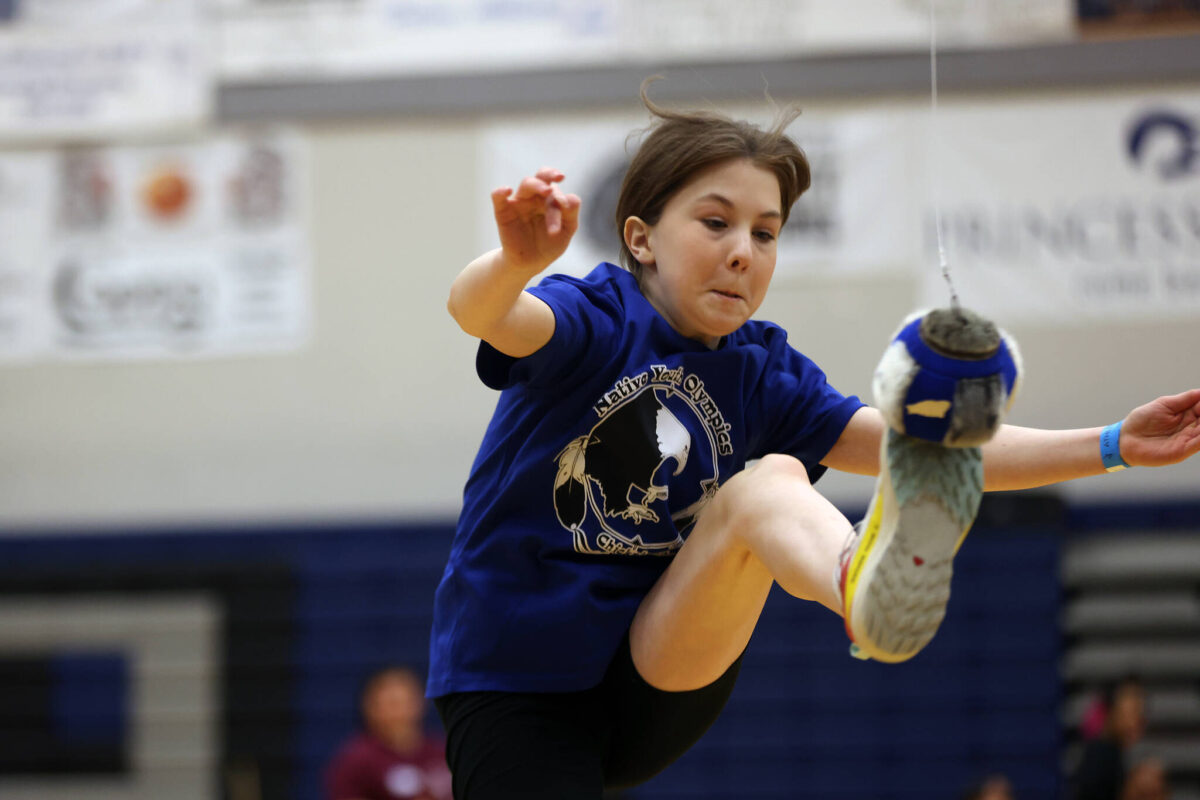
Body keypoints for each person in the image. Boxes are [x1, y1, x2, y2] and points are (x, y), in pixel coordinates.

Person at [429, 82, 1200, 799]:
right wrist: (515, 264)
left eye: (766, 234)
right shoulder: (596, 314)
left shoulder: (763, 372)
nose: (744, 251)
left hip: (656, 664)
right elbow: (484, 314)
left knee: (767, 484)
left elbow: (930, 449)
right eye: (716, 221)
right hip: (513, 681)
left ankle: (860, 586)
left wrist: (1113, 445)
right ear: (641, 238)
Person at [324, 666, 452, 800]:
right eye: (391, 704)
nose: (400, 712)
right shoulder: (356, 760)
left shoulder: (442, 751)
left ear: (420, 703)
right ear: (370, 708)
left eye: (405, 702)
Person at [1072, 676, 1149, 800]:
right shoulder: (1102, 756)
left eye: (1142, 712)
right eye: (1133, 711)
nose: (1139, 720)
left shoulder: (1111, 753)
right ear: (1112, 711)